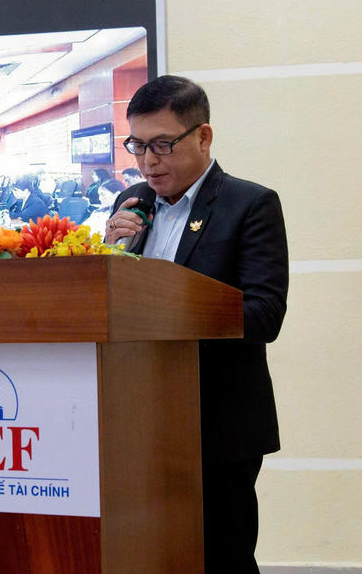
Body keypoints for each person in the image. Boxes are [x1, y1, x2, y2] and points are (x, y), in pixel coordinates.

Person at [105, 75, 288, 572]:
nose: (148, 161)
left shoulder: (250, 205)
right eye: (138, 146)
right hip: (138, 419)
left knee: (221, 557)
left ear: (203, 136)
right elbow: (116, 307)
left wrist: (168, 308)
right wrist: (109, 256)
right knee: (148, 554)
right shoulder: (133, 202)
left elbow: (264, 315)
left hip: (217, 422)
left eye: (162, 144)